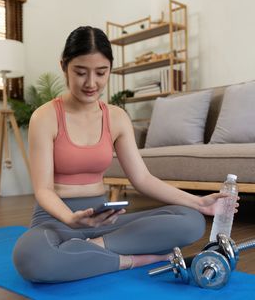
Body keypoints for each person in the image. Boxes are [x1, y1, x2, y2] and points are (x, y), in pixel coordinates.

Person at [13, 26, 239, 283]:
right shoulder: (45, 117)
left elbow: (142, 178)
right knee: (30, 257)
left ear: (110, 68)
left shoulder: (117, 118)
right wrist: (71, 220)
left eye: (101, 73)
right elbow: (43, 189)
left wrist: (199, 202)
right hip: (57, 221)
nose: (91, 83)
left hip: (105, 221)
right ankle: (132, 260)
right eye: (80, 72)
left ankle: (91, 249)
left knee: (190, 221)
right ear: (64, 66)